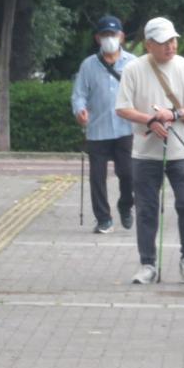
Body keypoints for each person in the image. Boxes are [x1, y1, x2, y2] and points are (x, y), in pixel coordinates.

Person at [115, 16, 184, 284]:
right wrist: (150, 120)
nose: (171, 46)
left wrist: (173, 113)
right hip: (144, 153)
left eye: (174, 40)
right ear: (148, 44)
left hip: (181, 150)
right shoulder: (133, 69)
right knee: (146, 208)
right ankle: (147, 264)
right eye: (164, 42)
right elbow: (122, 108)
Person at [71, 15, 136, 233]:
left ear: (122, 37)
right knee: (97, 177)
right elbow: (79, 94)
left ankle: (126, 205)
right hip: (97, 130)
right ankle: (103, 218)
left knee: (127, 173)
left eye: (114, 34)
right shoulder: (88, 65)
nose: (110, 38)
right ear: (98, 38)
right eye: (105, 35)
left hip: (126, 128)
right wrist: (79, 110)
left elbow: (142, 93)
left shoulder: (133, 63)